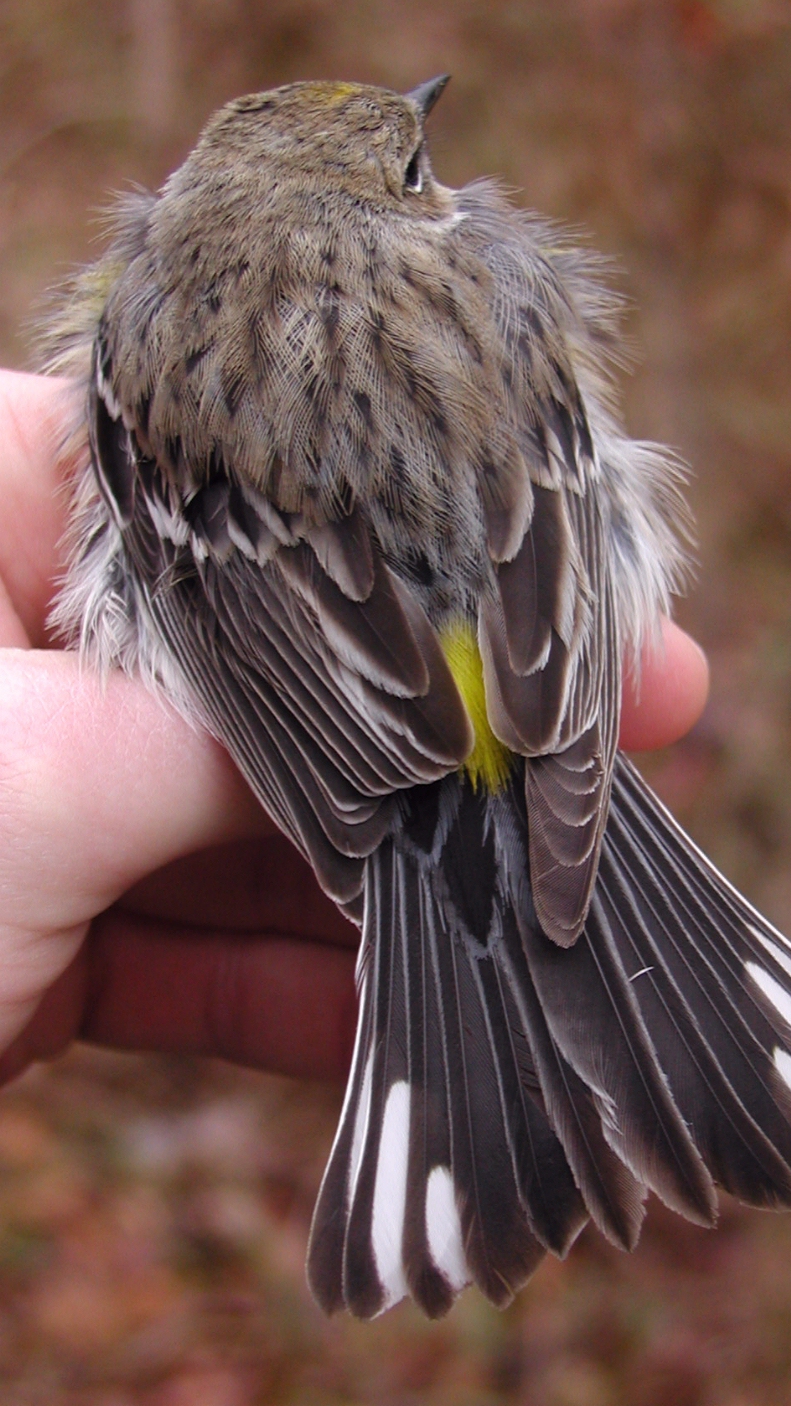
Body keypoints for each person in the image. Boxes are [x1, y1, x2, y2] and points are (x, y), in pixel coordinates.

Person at [0, 367, 709, 1091]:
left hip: (354, 693)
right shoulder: (505, 290)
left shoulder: (156, 350)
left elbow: (176, 577)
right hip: (530, 664)